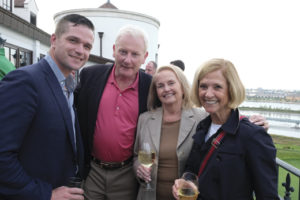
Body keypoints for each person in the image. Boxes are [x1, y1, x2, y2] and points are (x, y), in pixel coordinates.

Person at [0, 14, 95, 200]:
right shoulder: (25, 81)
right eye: (73, 40)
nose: (80, 50)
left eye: (87, 46)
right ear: (54, 40)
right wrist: (45, 194)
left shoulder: (68, 84)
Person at [173, 58, 279, 200]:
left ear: (231, 90)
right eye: (203, 86)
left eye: (217, 87)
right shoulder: (202, 127)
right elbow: (193, 170)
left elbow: (267, 195)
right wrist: (186, 182)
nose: (208, 94)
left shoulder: (252, 135)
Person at [75, 25, 152, 200]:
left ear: (145, 57)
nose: (127, 60)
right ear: (114, 50)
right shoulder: (90, 75)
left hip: (127, 175)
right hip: (92, 171)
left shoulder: (150, 87)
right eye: (123, 52)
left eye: (135, 54)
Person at [133, 65, 207, 199]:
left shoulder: (202, 118)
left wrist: (254, 120)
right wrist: (139, 168)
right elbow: (136, 156)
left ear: (182, 86)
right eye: (160, 86)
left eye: (171, 83)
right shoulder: (145, 119)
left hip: (185, 196)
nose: (166, 89)